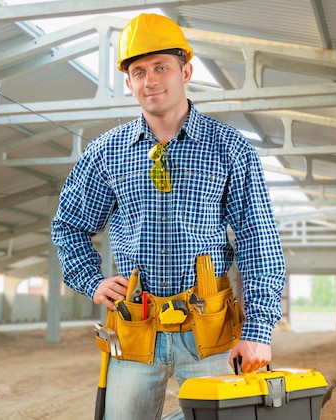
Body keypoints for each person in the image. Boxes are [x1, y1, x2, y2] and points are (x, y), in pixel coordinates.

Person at [51, 13, 285, 419]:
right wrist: (91, 281)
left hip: (209, 332)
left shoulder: (229, 148)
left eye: (161, 67)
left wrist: (258, 331)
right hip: (134, 329)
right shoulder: (107, 151)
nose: (150, 80)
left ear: (186, 71)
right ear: (129, 82)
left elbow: (257, 241)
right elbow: (68, 224)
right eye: (138, 71)